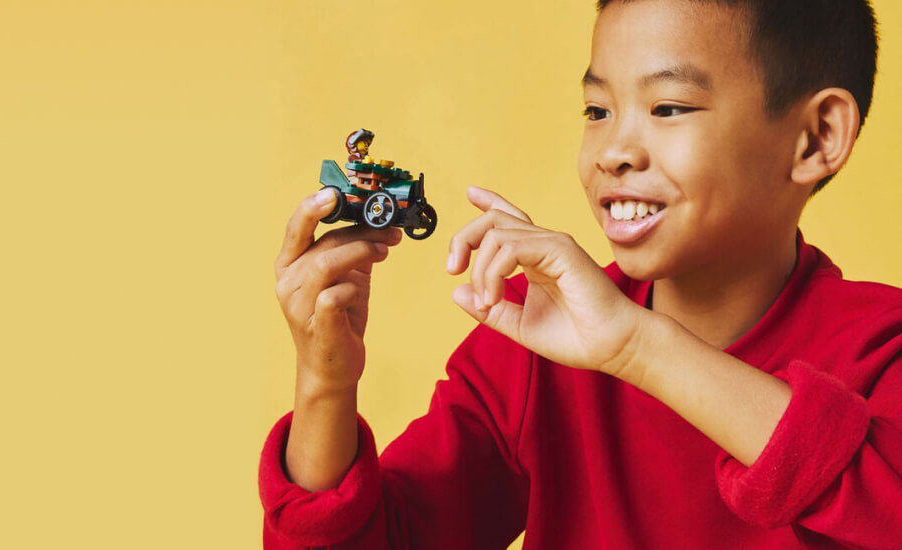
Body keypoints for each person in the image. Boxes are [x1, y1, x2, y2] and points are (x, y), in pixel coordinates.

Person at [264, 0, 901, 548]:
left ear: (817, 137)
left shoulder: (882, 348)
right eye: (597, 111)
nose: (613, 152)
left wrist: (635, 347)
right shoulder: (536, 336)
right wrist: (325, 384)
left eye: (668, 107)